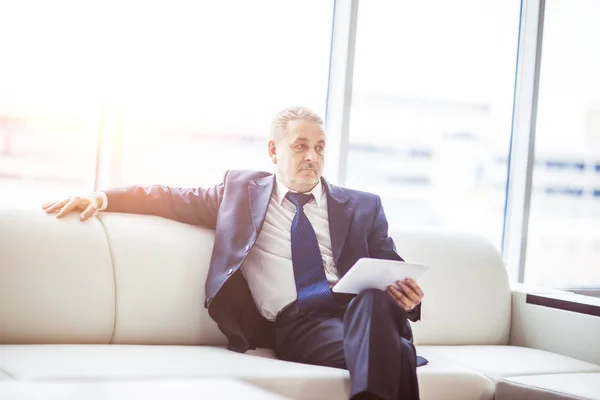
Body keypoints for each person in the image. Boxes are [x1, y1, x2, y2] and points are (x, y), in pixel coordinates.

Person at [43, 106, 426, 400]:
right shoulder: (239, 194)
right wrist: (103, 196)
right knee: (393, 354)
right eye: (301, 146)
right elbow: (168, 198)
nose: (312, 157)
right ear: (274, 151)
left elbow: (390, 269)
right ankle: (396, 352)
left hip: (364, 312)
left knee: (374, 300)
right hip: (302, 325)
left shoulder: (363, 206)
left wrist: (408, 300)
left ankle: (389, 350)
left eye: (320, 147)